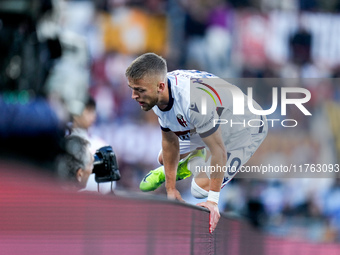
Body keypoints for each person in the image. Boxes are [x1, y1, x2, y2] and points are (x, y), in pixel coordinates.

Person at [125, 53, 268, 233]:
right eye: (132, 88)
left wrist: (213, 202)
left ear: (160, 87)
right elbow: (170, 142)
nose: (133, 95)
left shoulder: (192, 100)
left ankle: (195, 163)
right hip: (212, 118)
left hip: (245, 127)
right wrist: (171, 189)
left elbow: (218, 152)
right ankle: (194, 161)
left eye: (138, 90)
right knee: (164, 158)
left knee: (199, 190)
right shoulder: (156, 91)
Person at [69, 96, 114, 194]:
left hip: (95, 201)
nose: (93, 116)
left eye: (93, 111)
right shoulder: (63, 142)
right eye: (88, 111)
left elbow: (108, 186)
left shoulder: (101, 146)